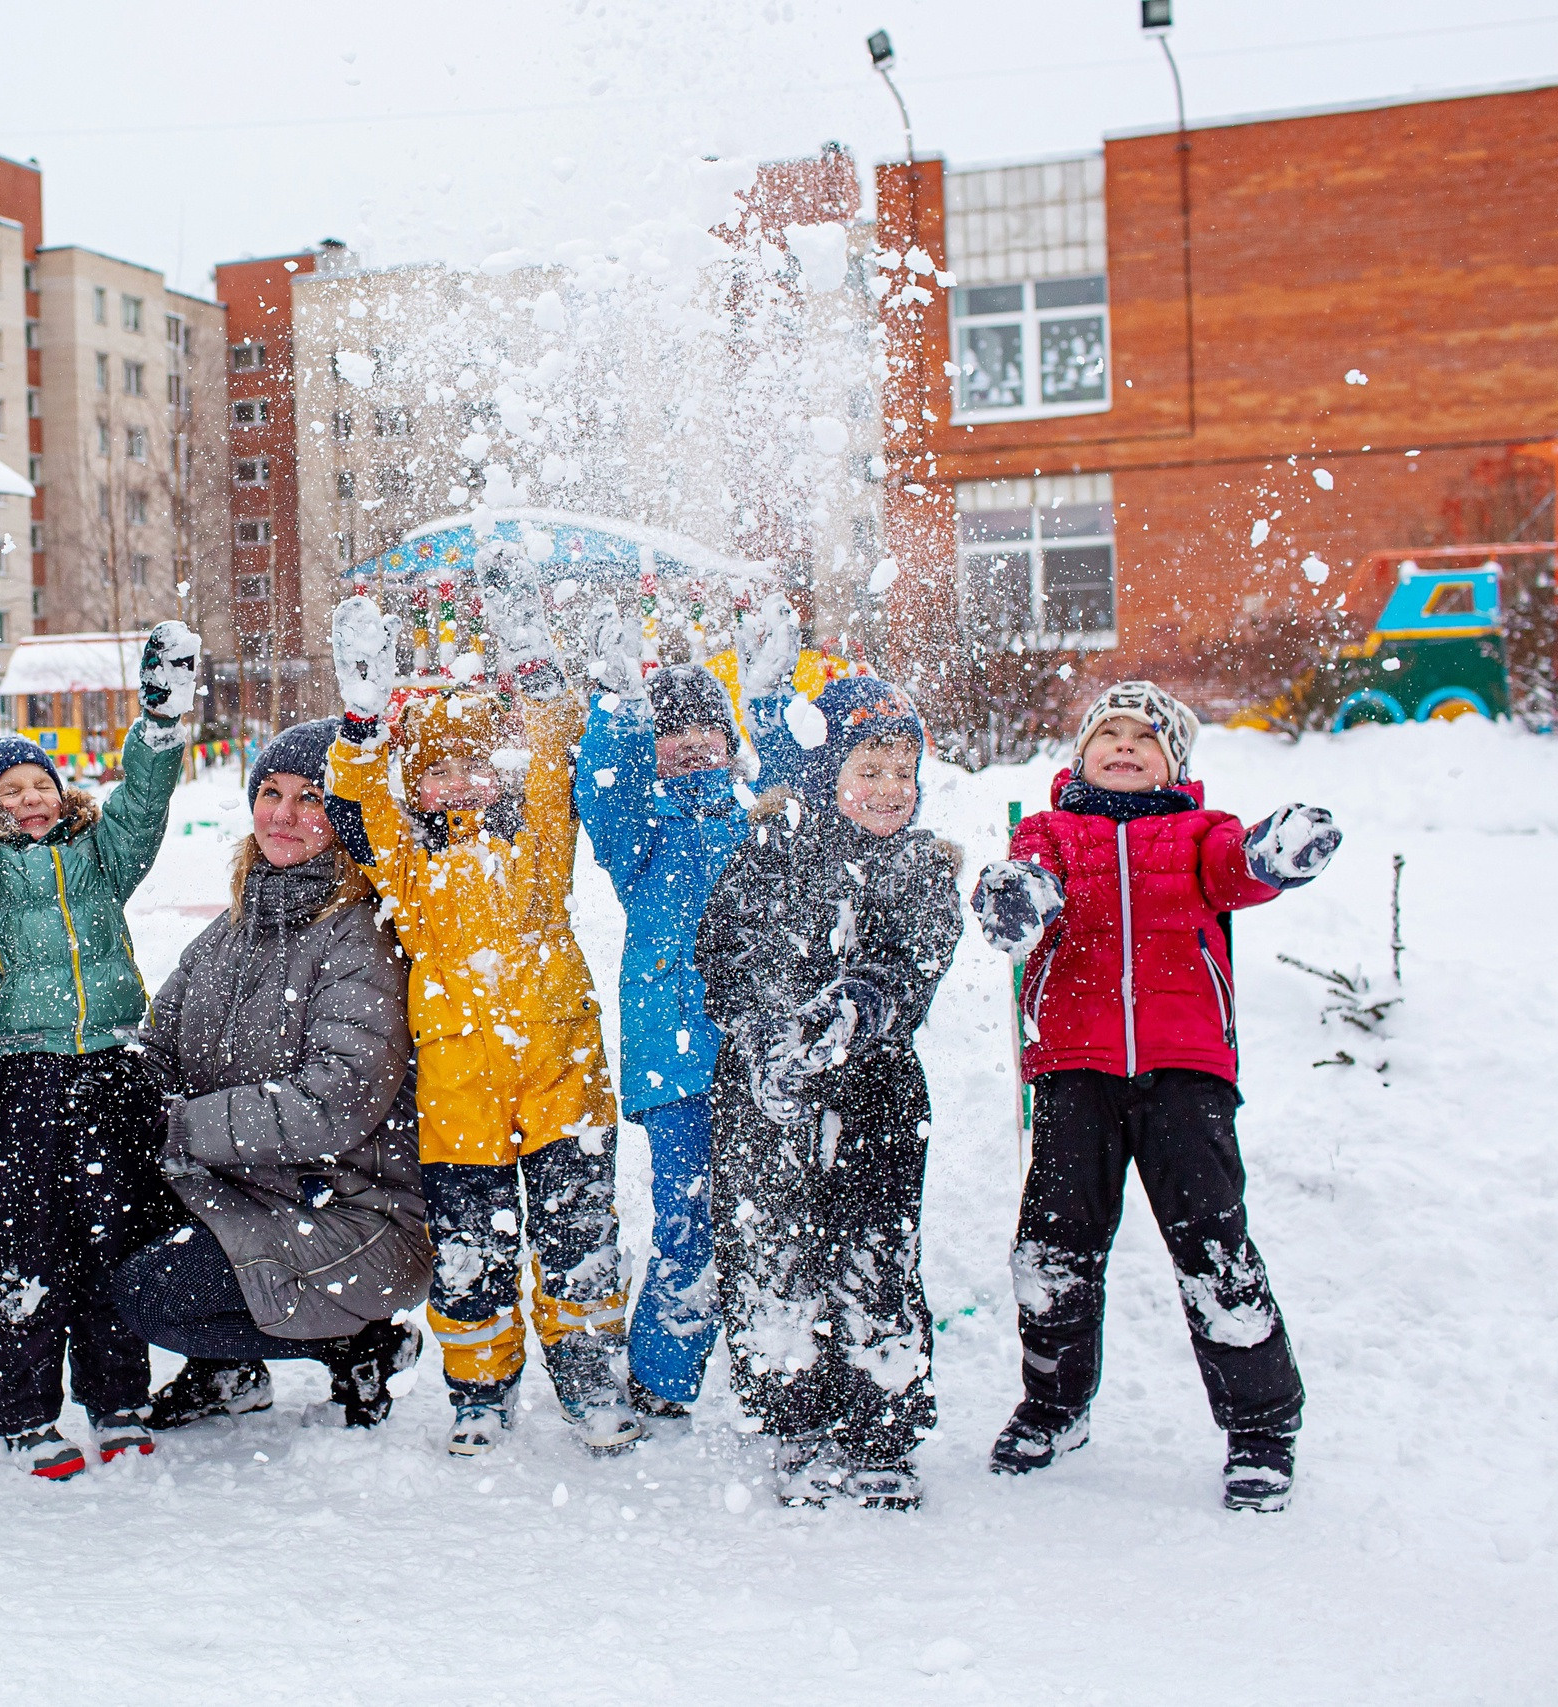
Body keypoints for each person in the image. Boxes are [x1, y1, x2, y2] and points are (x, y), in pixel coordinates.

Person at [972, 681, 1338, 1513]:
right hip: (1076, 1067)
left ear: (1174, 761)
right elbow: (1032, 880)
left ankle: (1261, 1428)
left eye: (1147, 738)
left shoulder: (1202, 832)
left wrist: (1273, 853)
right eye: (1110, 734)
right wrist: (1016, 896)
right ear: (1082, 754)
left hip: (1185, 1071)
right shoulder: (1052, 830)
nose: (1126, 747)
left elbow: (1240, 870)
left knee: (1214, 1246)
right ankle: (1055, 1405)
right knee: (1053, 1247)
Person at [325, 555, 642, 1459]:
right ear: (414, 784)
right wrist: (362, 725)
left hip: (562, 1073)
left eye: (477, 764)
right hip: (459, 1091)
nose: (461, 782)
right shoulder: (408, 866)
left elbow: (550, 744)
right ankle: (478, 1389)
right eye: (439, 771)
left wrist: (531, 665)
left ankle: (591, 1377)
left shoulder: (537, 839)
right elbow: (359, 805)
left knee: (580, 1235)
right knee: (471, 1249)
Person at [0, 618, 202, 1479]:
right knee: (23, 1251)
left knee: (117, 1239)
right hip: (23, 1081)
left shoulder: (99, 859)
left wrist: (158, 724)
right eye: (9, 790)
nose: (31, 797)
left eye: (42, 782)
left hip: (110, 1071)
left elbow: (142, 806)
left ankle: (117, 1397)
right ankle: (25, 1412)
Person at [112, 720, 432, 1431]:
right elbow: (160, 1042)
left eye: (310, 797)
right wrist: (117, 1094)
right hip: (245, 1191)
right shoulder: (235, 924)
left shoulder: (361, 933)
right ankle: (227, 1370)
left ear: (345, 813)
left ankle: (361, 1343)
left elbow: (335, 1098)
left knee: (153, 1291)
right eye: (270, 792)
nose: (283, 814)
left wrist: (178, 1125)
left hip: (353, 1212)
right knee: (98, 1217)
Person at [694, 677, 962, 1509]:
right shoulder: (773, 850)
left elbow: (917, 960)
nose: (889, 788)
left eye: (903, 771)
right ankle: (796, 1417)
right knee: (774, 1253)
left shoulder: (920, 865)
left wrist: (854, 1007)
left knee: (878, 1255)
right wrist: (766, 1033)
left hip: (878, 1092)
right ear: (823, 772)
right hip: (771, 1096)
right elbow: (722, 950)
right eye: (868, 769)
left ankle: (881, 1426)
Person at [572, 608, 753, 1418]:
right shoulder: (642, 835)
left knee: (761, 1212)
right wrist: (616, 711)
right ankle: (663, 1376)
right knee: (691, 1217)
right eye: (669, 733)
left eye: (705, 729)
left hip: (752, 1055)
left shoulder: (757, 821)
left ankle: (771, 1368)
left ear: (730, 739)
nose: (689, 745)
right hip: (675, 1062)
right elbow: (600, 795)